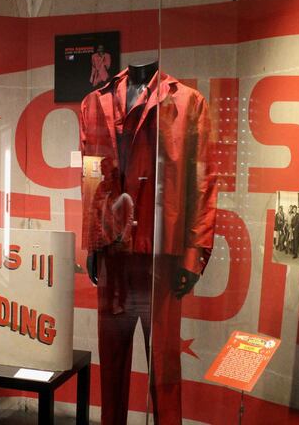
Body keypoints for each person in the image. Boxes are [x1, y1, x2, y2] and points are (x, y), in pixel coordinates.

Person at [80, 61, 218, 424]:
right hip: (113, 251)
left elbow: (202, 180)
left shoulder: (188, 102)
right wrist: (93, 243)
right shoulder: (95, 103)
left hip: (162, 253)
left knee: (164, 368)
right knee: (111, 362)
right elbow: (91, 174)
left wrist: (194, 255)